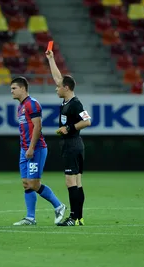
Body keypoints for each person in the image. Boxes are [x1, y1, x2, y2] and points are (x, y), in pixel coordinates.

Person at [10, 77, 66, 226]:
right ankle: (30, 217)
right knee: (26, 183)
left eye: (14, 88)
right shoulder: (20, 106)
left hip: (36, 149)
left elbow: (38, 127)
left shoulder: (32, 104)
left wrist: (31, 148)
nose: (11, 91)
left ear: (23, 88)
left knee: (34, 184)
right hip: (25, 149)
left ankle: (59, 205)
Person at [46, 50, 91, 226]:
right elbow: (58, 78)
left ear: (66, 88)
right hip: (74, 145)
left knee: (71, 181)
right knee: (77, 182)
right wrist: (51, 59)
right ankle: (79, 218)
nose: (56, 87)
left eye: (58, 87)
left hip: (72, 145)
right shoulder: (67, 101)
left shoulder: (75, 103)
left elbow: (87, 121)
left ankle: (73, 217)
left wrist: (69, 128)